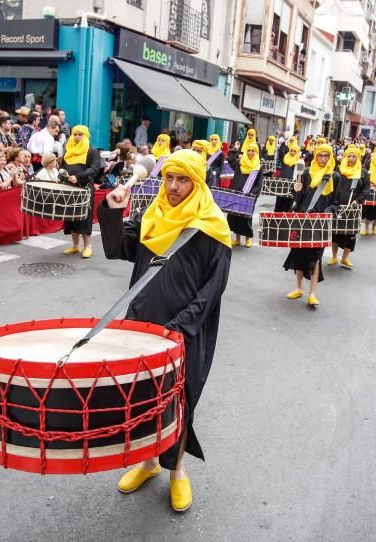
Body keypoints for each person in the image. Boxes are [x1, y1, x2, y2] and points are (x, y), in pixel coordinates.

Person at [100, 149, 231, 513]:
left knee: (179, 400)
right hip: (141, 324)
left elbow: (212, 289)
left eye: (183, 179)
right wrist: (111, 210)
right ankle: (147, 462)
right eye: (169, 178)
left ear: (197, 182)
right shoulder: (150, 215)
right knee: (143, 397)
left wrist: (179, 328)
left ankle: (177, 470)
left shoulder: (212, 224)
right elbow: (117, 248)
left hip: (185, 332)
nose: (173, 187)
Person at [284, 143, 335, 307]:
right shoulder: (306, 173)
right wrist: (296, 190)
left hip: (320, 222)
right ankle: (299, 288)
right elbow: (298, 199)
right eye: (320, 155)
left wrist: (328, 211)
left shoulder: (334, 176)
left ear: (330, 157)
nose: (322, 158)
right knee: (298, 253)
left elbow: (336, 203)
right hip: (302, 218)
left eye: (326, 155)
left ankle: (312, 293)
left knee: (316, 258)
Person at [60, 126, 102, 258]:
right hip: (69, 188)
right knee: (71, 217)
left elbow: (94, 169)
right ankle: (75, 245)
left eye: (80, 134)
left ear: (85, 136)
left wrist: (78, 178)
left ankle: (88, 246)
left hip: (84, 189)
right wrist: (62, 177)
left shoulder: (92, 151)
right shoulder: (68, 151)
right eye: (75, 134)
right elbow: (63, 168)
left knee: (84, 217)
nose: (77, 137)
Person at [328, 146, 367, 269]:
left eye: (354, 156)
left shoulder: (362, 172)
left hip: (353, 208)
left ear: (358, 158)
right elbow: (332, 186)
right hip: (338, 205)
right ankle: (334, 256)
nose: (351, 158)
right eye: (349, 156)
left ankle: (345, 258)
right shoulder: (339, 170)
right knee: (335, 232)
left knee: (350, 234)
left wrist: (358, 200)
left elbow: (366, 190)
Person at [227, 142, 262, 247]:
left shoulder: (258, 167)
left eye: (253, 151)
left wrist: (253, 195)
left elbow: (259, 183)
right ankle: (237, 239)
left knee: (247, 218)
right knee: (235, 217)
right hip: (237, 194)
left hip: (249, 197)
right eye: (249, 150)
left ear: (256, 153)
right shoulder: (240, 163)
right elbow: (231, 160)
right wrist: (235, 149)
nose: (250, 152)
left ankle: (247, 239)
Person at [276, 141, 303, 212]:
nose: (293, 152)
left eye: (295, 151)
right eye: (291, 150)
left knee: (287, 205)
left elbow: (300, 175)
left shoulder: (299, 162)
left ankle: (284, 221)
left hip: (292, 186)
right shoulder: (285, 158)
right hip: (282, 184)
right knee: (278, 204)